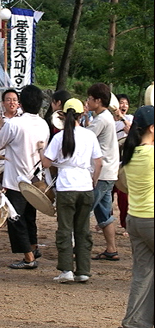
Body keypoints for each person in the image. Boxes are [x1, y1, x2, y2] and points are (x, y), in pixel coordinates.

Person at [37, 98, 103, 283]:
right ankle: (83, 270)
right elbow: (98, 162)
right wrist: (93, 181)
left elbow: (46, 163)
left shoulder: (59, 137)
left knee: (65, 230)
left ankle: (66, 269)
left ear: (63, 115)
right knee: (83, 230)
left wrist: (41, 150)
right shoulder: (89, 135)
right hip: (85, 186)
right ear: (82, 115)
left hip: (66, 187)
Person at [0, 85, 50, 269]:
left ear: (21, 104)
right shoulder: (44, 124)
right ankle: (33, 247)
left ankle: (28, 257)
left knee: (15, 218)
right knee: (30, 216)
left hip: (16, 179)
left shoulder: (14, 123)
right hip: (35, 178)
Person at [117, 105, 154, 328]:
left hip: (136, 219)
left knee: (143, 273)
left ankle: (134, 324)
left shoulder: (130, 156)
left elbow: (124, 185)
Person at [86, 83, 121, 261]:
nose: (88, 102)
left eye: (90, 99)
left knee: (84, 211)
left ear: (98, 101)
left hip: (102, 173)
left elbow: (84, 138)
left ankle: (80, 247)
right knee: (104, 213)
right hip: (109, 172)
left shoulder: (100, 120)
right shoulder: (105, 117)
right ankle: (111, 249)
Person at [113, 94, 133, 235]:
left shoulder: (130, 119)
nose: (124, 105)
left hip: (125, 161)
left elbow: (133, 131)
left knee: (123, 195)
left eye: (126, 103)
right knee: (105, 195)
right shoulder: (108, 120)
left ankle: (125, 224)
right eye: (121, 103)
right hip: (112, 160)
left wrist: (123, 118)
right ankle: (105, 220)